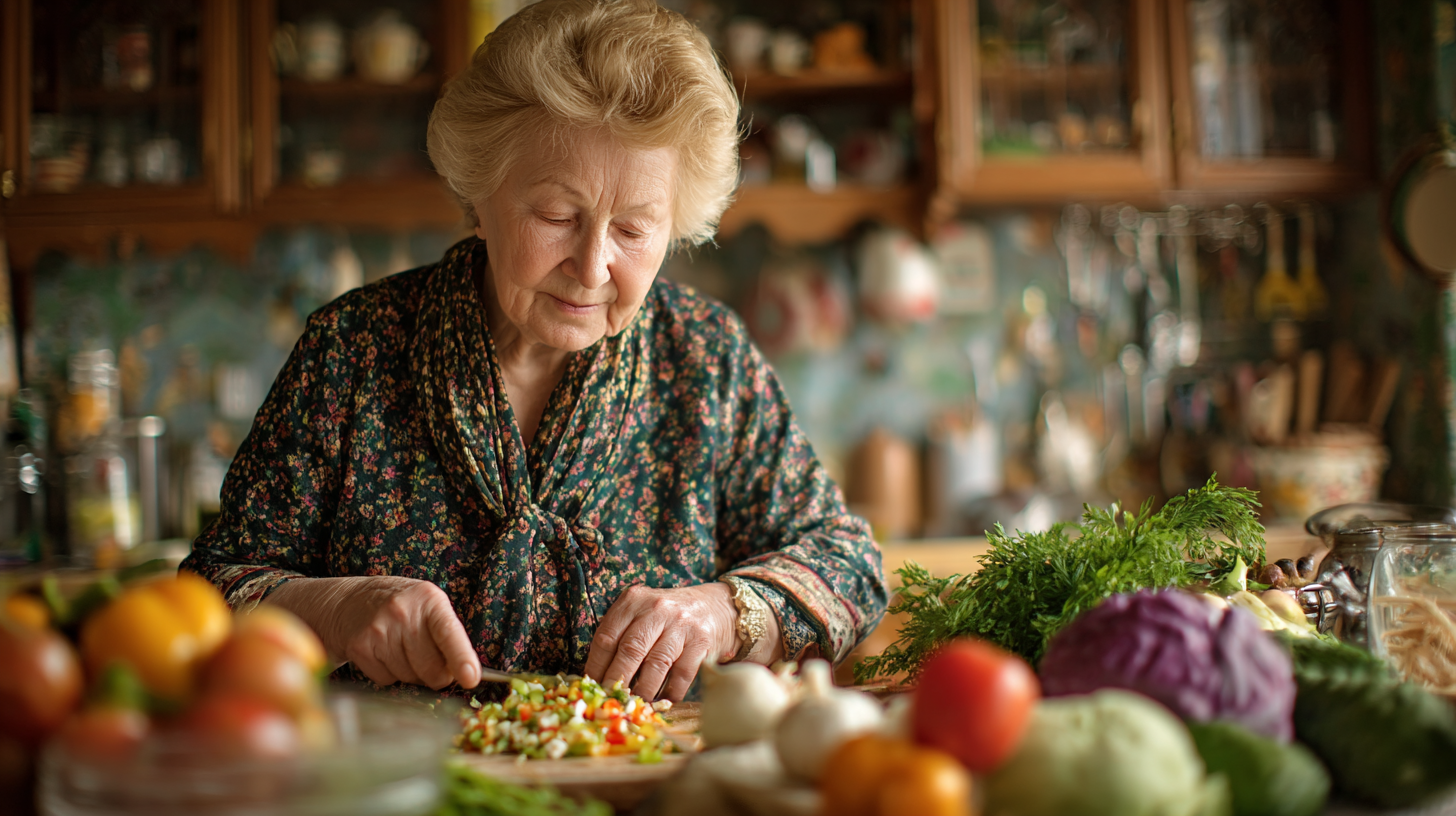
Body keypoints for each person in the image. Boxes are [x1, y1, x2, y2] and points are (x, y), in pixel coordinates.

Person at [181, 0, 886, 702]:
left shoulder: (705, 359)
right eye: (556, 216)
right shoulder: (354, 352)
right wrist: (336, 611)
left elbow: (849, 565)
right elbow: (209, 593)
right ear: (479, 195)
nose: (591, 266)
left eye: (635, 230)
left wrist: (723, 613)